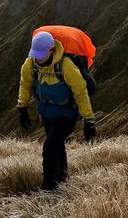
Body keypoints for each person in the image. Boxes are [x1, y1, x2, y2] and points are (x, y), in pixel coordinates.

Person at [17, 30, 97, 191]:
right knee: (57, 144)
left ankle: (49, 186)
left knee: (50, 145)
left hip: (67, 114)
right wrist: (22, 107)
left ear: (52, 50)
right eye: (36, 54)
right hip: (46, 112)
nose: (38, 58)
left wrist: (89, 120)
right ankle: (62, 176)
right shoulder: (30, 64)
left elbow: (80, 93)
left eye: (41, 54)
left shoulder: (66, 66)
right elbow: (25, 84)